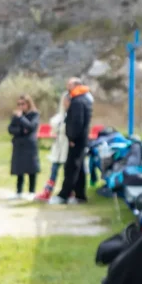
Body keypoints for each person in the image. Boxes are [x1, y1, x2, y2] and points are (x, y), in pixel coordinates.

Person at [52, 77, 93, 205]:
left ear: (76, 85)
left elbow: (76, 122)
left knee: (71, 167)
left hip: (76, 140)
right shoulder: (85, 99)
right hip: (81, 139)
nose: (67, 87)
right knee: (79, 168)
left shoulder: (77, 101)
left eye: (69, 85)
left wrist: (72, 138)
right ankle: (80, 195)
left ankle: (63, 195)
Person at [35, 92, 70, 202]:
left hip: (67, 146)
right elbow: (55, 128)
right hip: (58, 146)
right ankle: (48, 191)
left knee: (68, 171)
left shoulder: (72, 116)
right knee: (54, 170)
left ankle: (69, 191)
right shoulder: (59, 117)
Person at [8, 95, 40, 199]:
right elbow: (10, 129)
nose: (20, 106)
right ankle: (19, 191)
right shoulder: (16, 115)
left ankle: (31, 191)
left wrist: (21, 118)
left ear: (28, 104)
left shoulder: (34, 114)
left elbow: (31, 127)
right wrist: (22, 130)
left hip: (30, 145)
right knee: (19, 168)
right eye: (19, 104)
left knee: (31, 168)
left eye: (23, 104)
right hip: (19, 144)